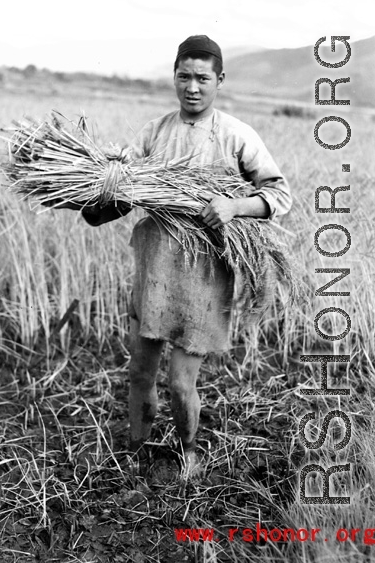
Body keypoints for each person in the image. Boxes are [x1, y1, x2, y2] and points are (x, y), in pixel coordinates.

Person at [56, 35, 292, 479]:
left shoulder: (237, 135)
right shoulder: (153, 132)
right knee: (140, 374)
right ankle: (134, 448)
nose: (193, 87)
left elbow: (280, 194)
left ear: (219, 80)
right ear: (175, 77)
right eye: (184, 76)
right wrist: (87, 197)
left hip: (204, 276)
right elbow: (122, 195)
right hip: (155, 267)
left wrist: (233, 206)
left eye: (203, 78)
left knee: (181, 382)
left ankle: (189, 452)